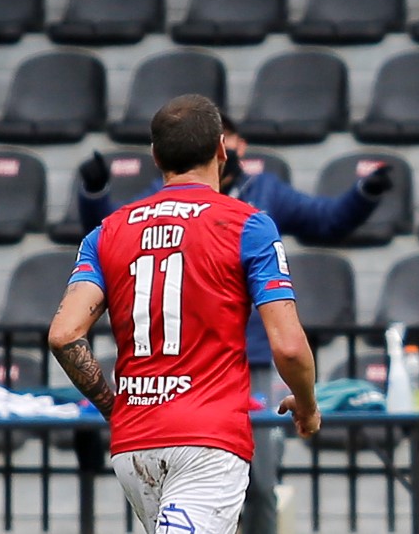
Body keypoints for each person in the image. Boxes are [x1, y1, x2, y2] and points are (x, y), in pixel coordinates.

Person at [75, 114, 391, 534]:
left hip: (247, 360)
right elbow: (115, 239)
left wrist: (363, 195)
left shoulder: (264, 193)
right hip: (186, 372)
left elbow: (326, 219)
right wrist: (94, 193)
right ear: (221, 147)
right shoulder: (188, 206)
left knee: (261, 482)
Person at [48, 95, 321, 534]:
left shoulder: (107, 231)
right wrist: (307, 407)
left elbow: (64, 335)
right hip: (207, 440)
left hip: (134, 444)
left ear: (156, 156)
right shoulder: (248, 224)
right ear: (221, 149)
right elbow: (288, 346)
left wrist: (114, 409)